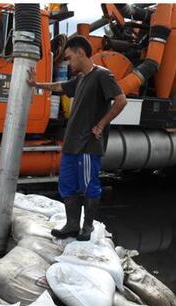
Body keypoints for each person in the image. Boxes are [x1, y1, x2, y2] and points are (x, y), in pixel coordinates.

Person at [28, 35, 127, 241]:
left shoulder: (102, 75)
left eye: (69, 57)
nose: (68, 62)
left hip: (88, 144)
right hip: (71, 144)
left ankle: (87, 227)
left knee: (89, 185)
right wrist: (36, 84)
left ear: (80, 53)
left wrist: (100, 125)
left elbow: (121, 100)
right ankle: (72, 225)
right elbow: (60, 86)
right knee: (66, 185)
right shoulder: (81, 79)